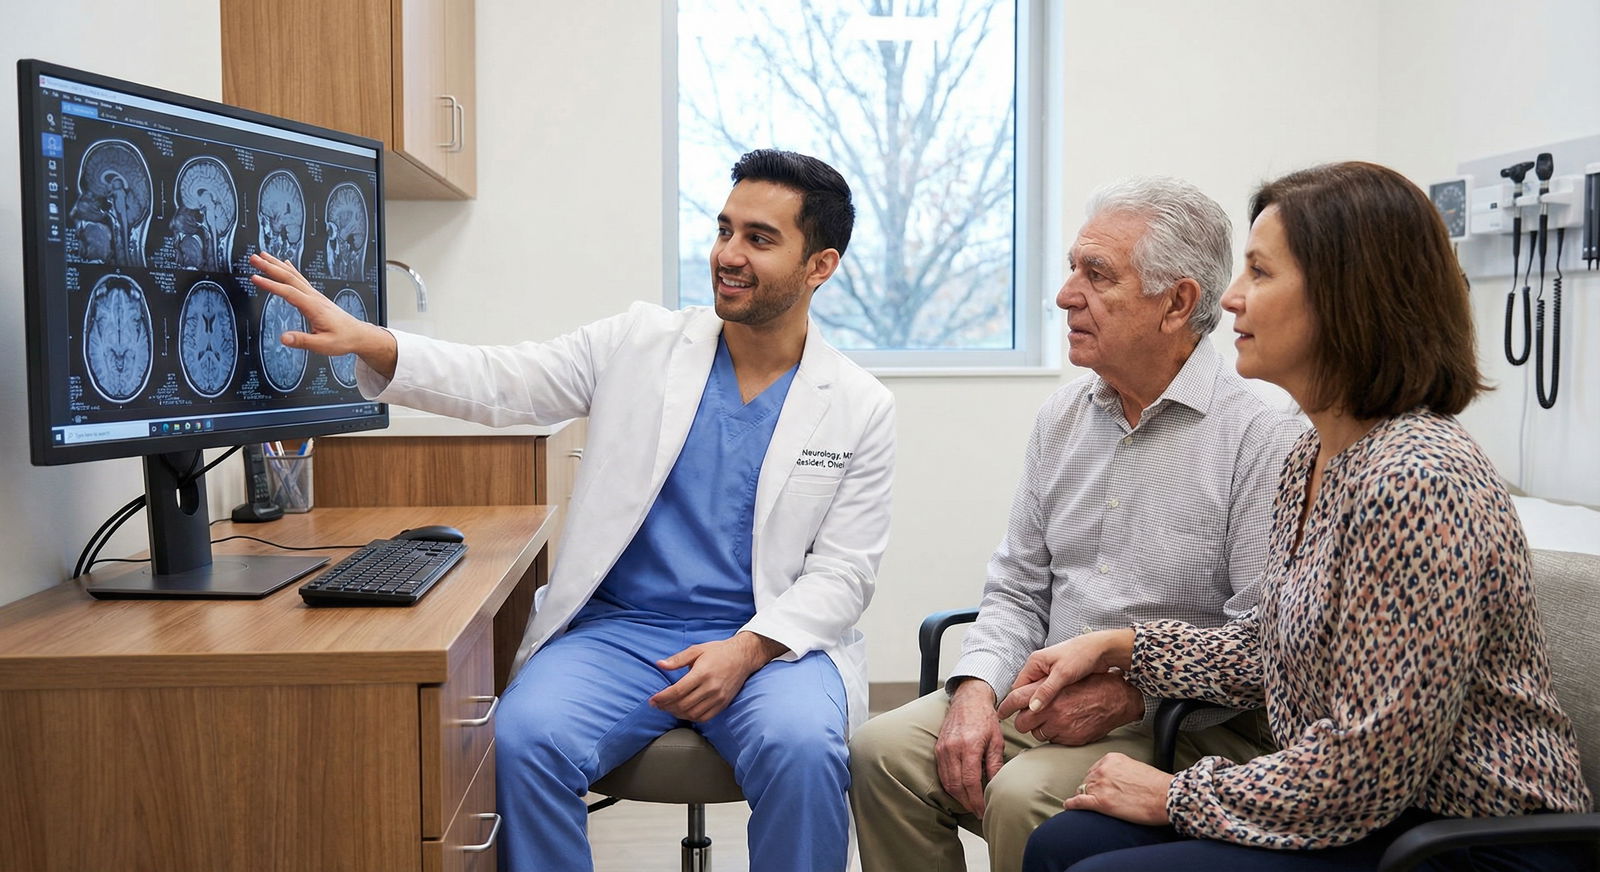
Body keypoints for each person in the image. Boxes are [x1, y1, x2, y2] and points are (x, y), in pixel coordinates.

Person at [249, 149, 894, 872]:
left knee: (804, 750)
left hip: (768, 641)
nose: (728, 255)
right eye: (724, 229)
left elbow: (844, 576)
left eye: (759, 239)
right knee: (526, 737)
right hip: (621, 633)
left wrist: (745, 650)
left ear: (820, 266)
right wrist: (374, 341)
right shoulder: (639, 343)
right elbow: (504, 381)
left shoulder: (860, 406)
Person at [1012, 162, 1593, 872]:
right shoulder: (1317, 457)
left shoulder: (1417, 478)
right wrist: (1124, 648)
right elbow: (1278, 648)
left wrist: (1179, 794)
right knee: (1061, 844)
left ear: (1348, 299)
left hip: (1463, 838)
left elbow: (1371, 765)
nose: (1229, 300)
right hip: (1373, 812)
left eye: (1259, 272)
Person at [849, 177, 1302, 872]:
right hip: (1043, 698)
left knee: (1021, 795)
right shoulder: (1062, 418)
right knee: (880, 754)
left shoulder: (1264, 434)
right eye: (1072, 269)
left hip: (1189, 724)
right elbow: (1017, 589)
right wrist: (974, 692)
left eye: (1097, 275)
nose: (1065, 295)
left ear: (1177, 302)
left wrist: (1130, 695)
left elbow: (1260, 645)